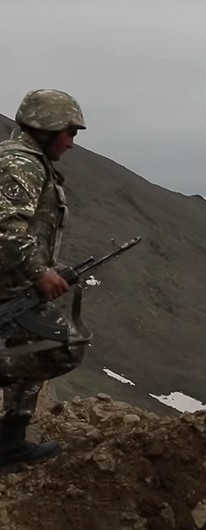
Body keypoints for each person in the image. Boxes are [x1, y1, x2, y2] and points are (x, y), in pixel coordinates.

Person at [0, 88, 90, 466]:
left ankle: (10, 442)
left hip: (14, 285)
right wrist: (39, 273)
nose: (71, 142)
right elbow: (5, 226)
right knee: (59, 346)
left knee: (38, 345)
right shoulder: (20, 165)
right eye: (68, 132)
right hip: (12, 285)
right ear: (47, 128)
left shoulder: (32, 162)